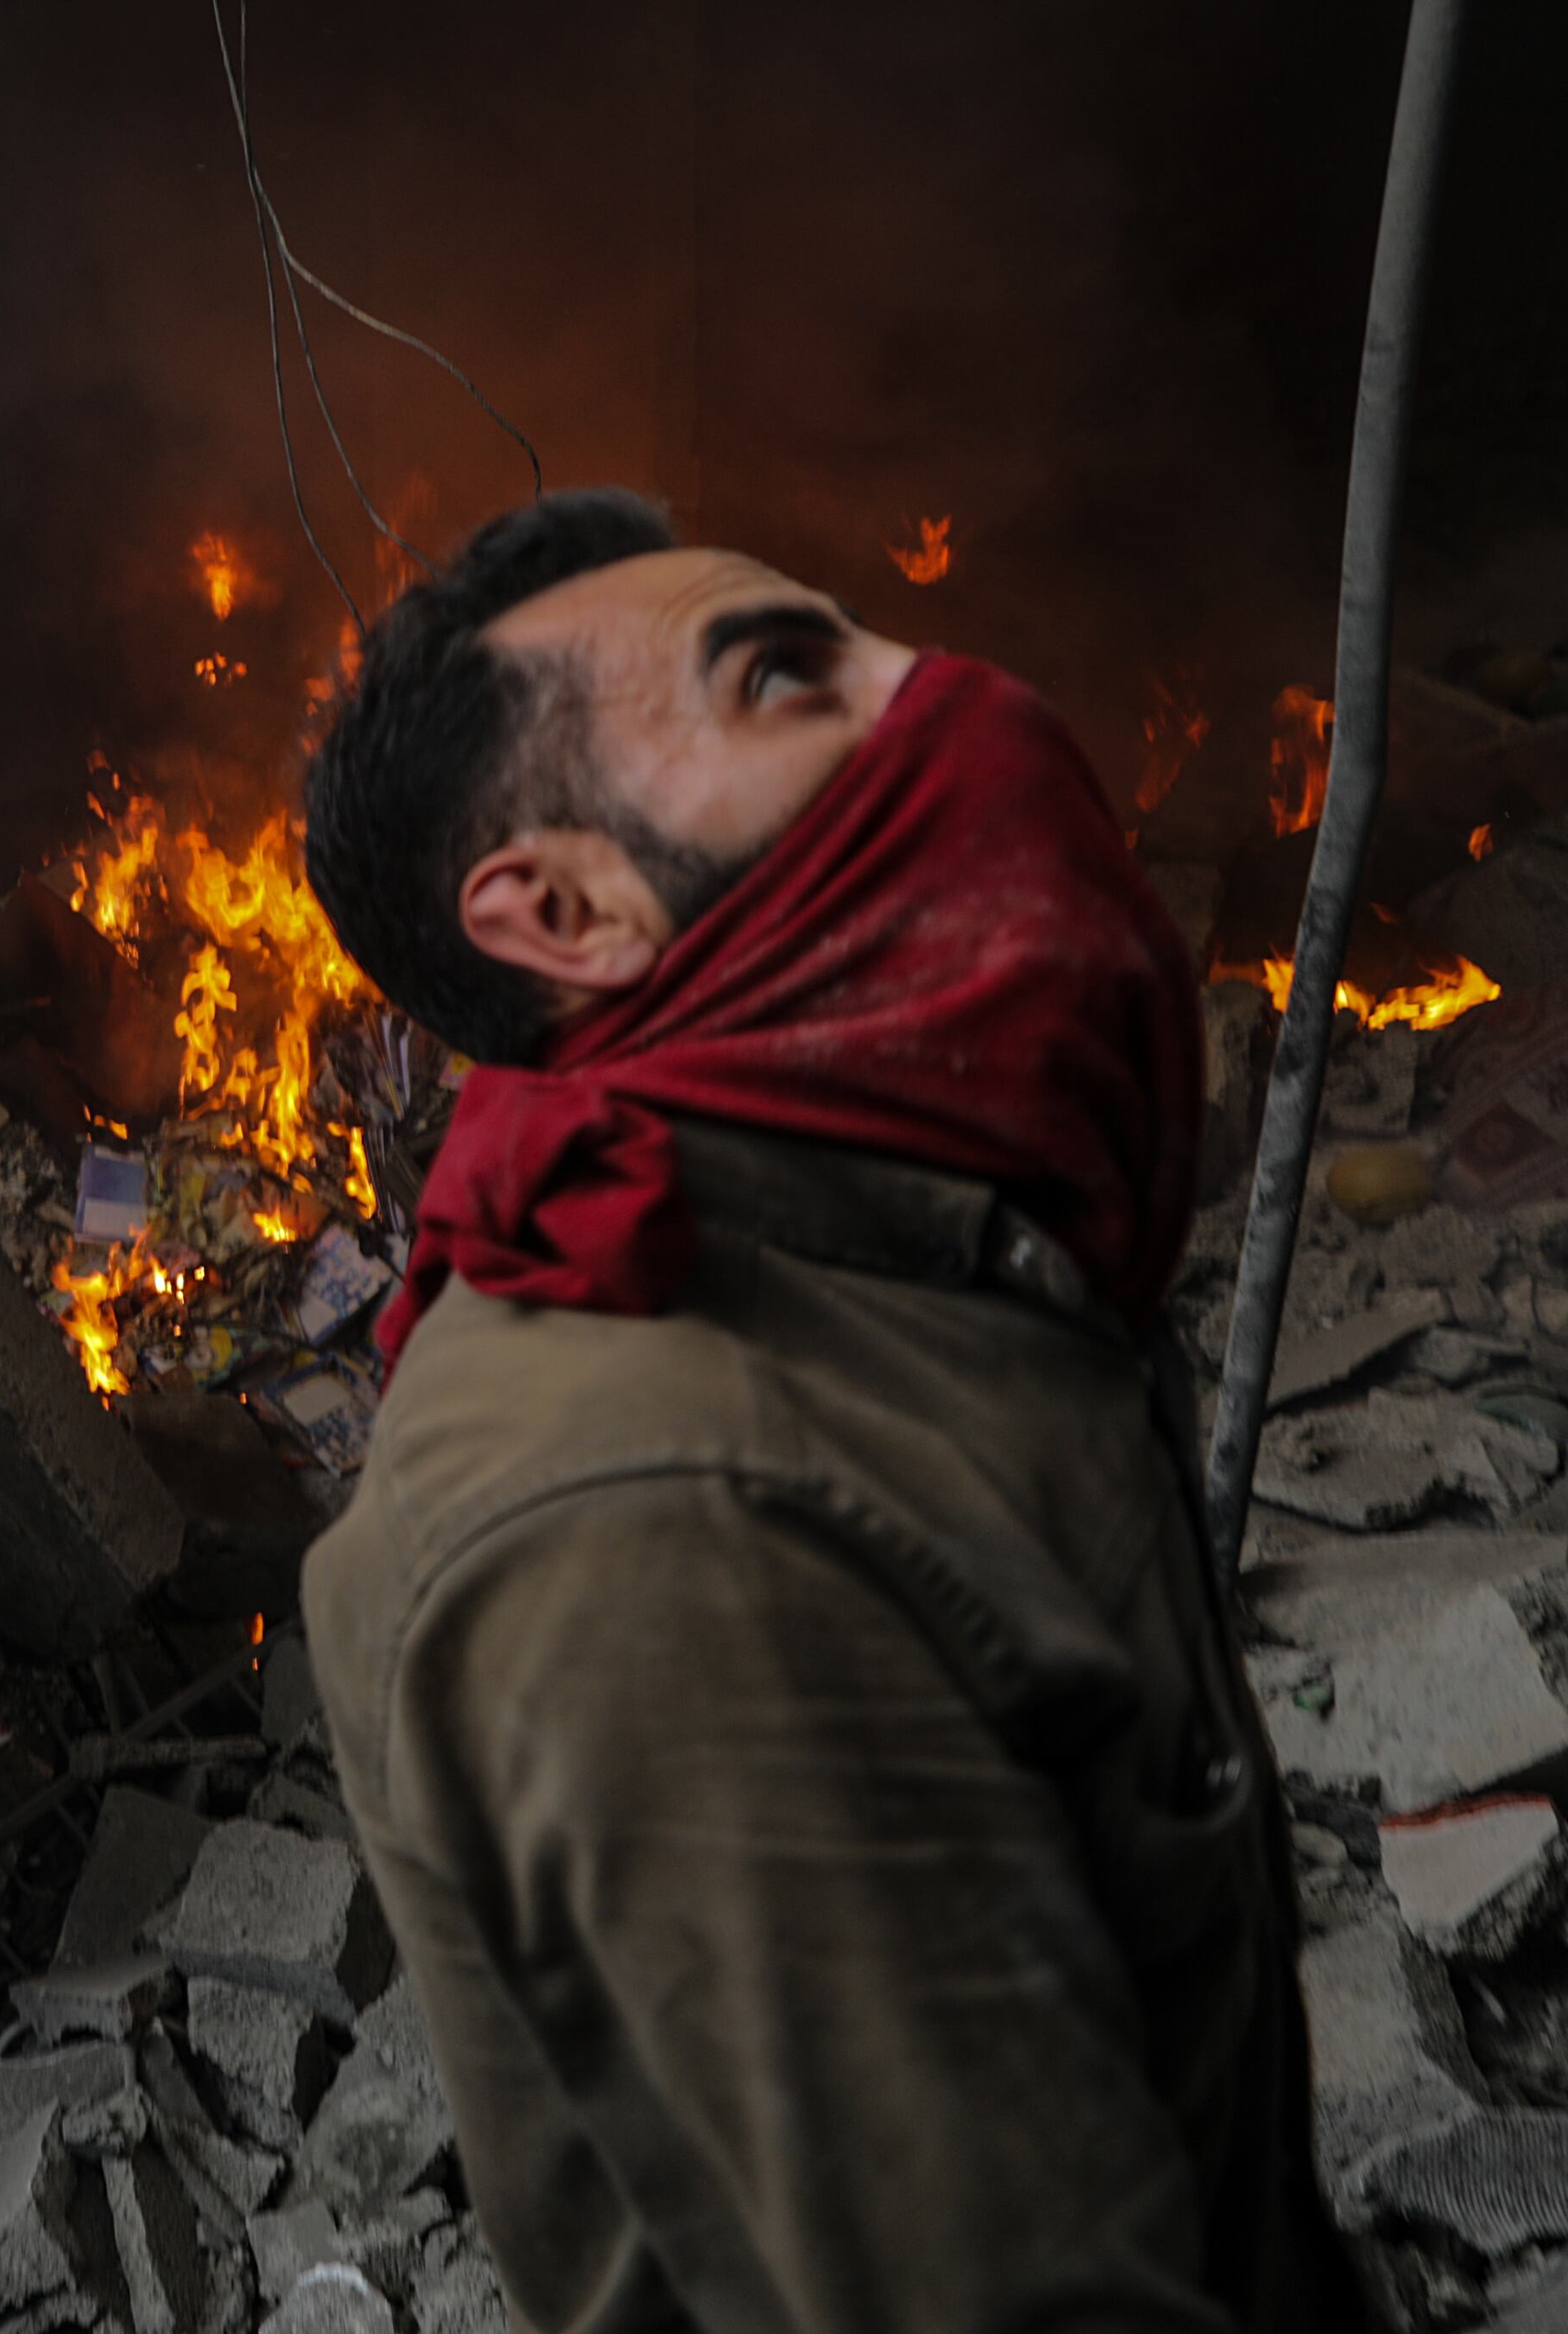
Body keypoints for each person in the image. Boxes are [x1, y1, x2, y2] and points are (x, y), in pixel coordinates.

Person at [291, 488, 1357, 2331]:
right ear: (568, 910)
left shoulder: (885, 1234)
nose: (950, 689)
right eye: (784, 680)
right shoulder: (658, 1526)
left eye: (865, 641)